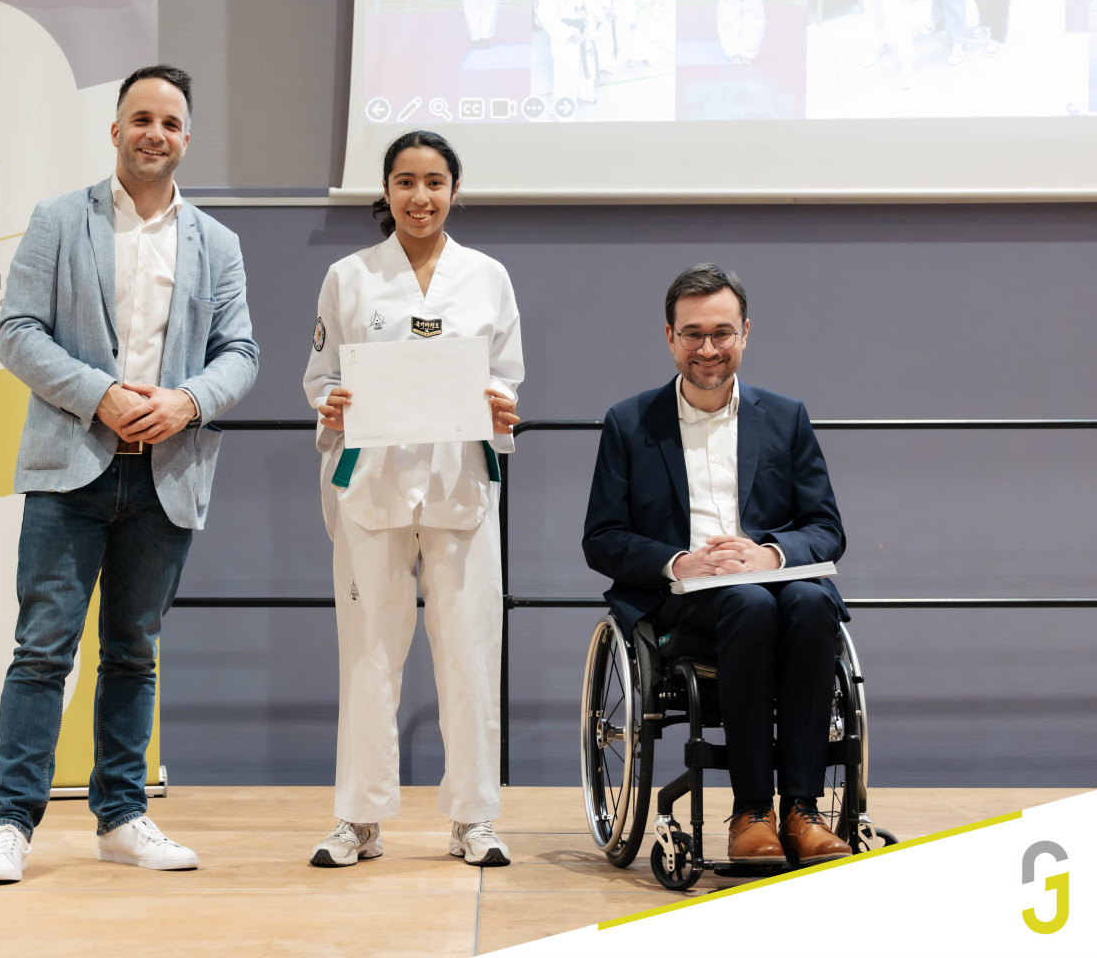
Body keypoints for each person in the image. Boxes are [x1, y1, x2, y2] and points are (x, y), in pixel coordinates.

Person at [0, 64, 259, 883]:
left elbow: (240, 352)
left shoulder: (217, 243)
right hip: (70, 470)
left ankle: (122, 818)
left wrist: (189, 402)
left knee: (134, 653)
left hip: (166, 475)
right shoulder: (59, 220)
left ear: (186, 138)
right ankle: (10, 824)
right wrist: (98, 394)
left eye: (169, 123)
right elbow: (17, 331)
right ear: (116, 130)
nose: (154, 134)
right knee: (42, 651)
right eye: (141, 119)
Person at [303, 130, 524, 869]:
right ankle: (359, 819)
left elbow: (507, 375)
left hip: (459, 484)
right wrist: (331, 404)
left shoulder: (487, 277)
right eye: (405, 181)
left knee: (469, 651)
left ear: (454, 190)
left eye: (434, 182)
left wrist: (501, 406)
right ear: (386, 189)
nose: (419, 196)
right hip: (373, 484)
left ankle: (474, 818)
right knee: (368, 652)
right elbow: (321, 377)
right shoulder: (348, 276)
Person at [582, 263, 852, 867]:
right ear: (670, 337)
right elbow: (601, 539)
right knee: (748, 604)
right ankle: (752, 810)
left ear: (745, 333)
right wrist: (679, 561)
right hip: (685, 604)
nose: (708, 348)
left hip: (776, 587)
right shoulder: (629, 422)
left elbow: (826, 528)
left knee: (811, 601)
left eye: (722, 332)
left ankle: (802, 810)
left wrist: (769, 553)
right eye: (693, 333)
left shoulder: (785, 416)